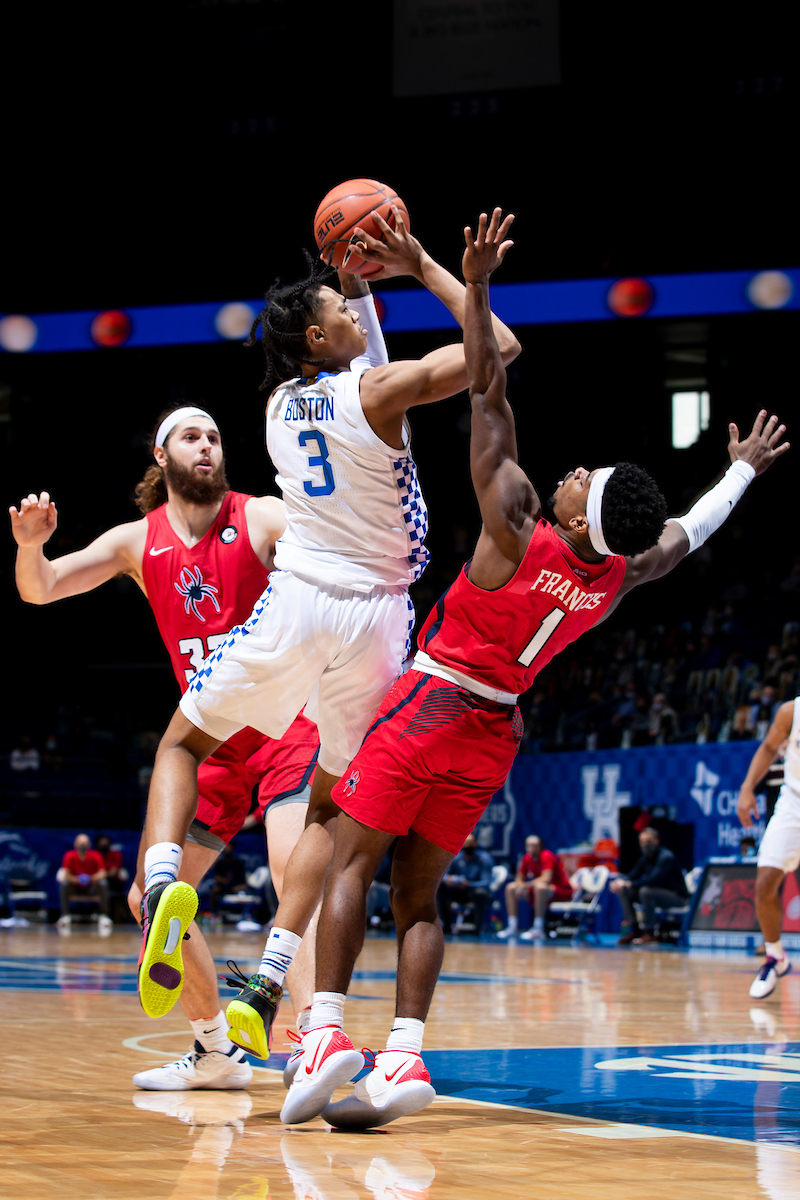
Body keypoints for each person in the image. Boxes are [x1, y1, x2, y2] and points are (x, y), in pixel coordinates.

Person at [276, 207, 789, 1130]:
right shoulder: (617, 575)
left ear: (576, 507)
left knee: (353, 859)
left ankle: (321, 1031)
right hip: (495, 732)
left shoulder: (515, 520)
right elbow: (687, 534)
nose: (575, 470)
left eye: (583, 476)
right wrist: (742, 471)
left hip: (433, 698)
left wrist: (462, 279)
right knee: (420, 894)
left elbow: (485, 386)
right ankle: (403, 1058)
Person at [133, 210, 521, 1053]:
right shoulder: (378, 393)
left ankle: (164, 876)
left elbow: (357, 350)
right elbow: (501, 352)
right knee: (332, 807)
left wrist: (352, 281)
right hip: (379, 619)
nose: (357, 312)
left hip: (301, 599)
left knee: (180, 745)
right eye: (344, 311)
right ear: (319, 334)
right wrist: (424, 264)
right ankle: (272, 976)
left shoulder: (277, 405)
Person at [10, 403, 319, 1091]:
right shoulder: (135, 542)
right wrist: (32, 546)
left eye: (214, 436)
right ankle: (215, 1051)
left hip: (284, 726)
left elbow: (325, 550)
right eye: (191, 436)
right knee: (152, 902)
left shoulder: (260, 516)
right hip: (209, 743)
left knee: (293, 869)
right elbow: (41, 591)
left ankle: (312, 1041)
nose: (207, 445)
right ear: (162, 456)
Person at [738, 698, 799, 998]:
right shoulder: (791, 711)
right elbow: (767, 747)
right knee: (764, 883)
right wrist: (747, 788)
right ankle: (775, 956)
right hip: (793, 803)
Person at [610, 828, 688, 945]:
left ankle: (649, 932)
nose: (645, 845)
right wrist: (620, 882)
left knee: (645, 891)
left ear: (656, 841)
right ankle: (635, 930)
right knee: (624, 890)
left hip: (677, 898)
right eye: (642, 842)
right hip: (655, 896)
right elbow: (633, 875)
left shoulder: (666, 857)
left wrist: (628, 884)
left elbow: (652, 880)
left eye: (648, 841)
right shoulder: (646, 858)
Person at [497, 835, 573, 940]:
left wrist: (525, 886)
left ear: (540, 846)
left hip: (561, 891)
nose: (531, 848)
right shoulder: (527, 858)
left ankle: (538, 929)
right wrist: (520, 886)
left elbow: (546, 878)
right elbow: (519, 878)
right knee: (511, 887)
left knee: (540, 887)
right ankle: (512, 927)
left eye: (534, 845)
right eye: (529, 845)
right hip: (537, 890)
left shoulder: (547, 856)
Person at [436, 832, 494, 934]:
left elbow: (486, 882)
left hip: (473, 891)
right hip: (458, 891)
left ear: (475, 844)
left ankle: (477, 929)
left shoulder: (484, 859)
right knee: (440, 888)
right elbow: (443, 875)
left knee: (480, 893)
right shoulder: (455, 858)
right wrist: (448, 879)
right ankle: (446, 926)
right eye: (466, 843)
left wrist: (469, 884)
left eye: (470, 844)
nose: (468, 846)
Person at [58, 833, 111, 932]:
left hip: (91, 887)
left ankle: (104, 916)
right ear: (75, 844)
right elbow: (65, 874)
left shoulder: (95, 855)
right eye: (80, 843)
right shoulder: (69, 855)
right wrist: (77, 880)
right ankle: (65, 916)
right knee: (64, 885)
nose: (82, 845)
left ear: (89, 844)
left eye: (85, 843)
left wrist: (90, 879)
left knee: (103, 884)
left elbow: (103, 873)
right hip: (75, 887)